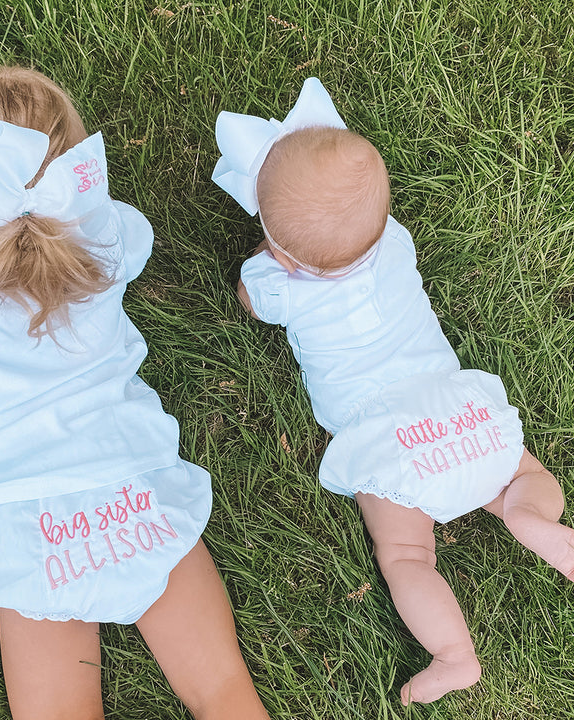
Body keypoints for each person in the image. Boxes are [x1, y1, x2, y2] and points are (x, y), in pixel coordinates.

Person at [0, 66, 270, 720]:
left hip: (19, 522)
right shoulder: (99, 229)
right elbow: (125, 241)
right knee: (224, 694)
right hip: (134, 486)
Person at [212, 77, 574, 705]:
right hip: (456, 409)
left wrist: (270, 264)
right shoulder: (395, 241)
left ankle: (455, 655)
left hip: (394, 440)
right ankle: (530, 517)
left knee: (408, 553)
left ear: (283, 252)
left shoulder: (278, 283)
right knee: (520, 474)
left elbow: (252, 302)